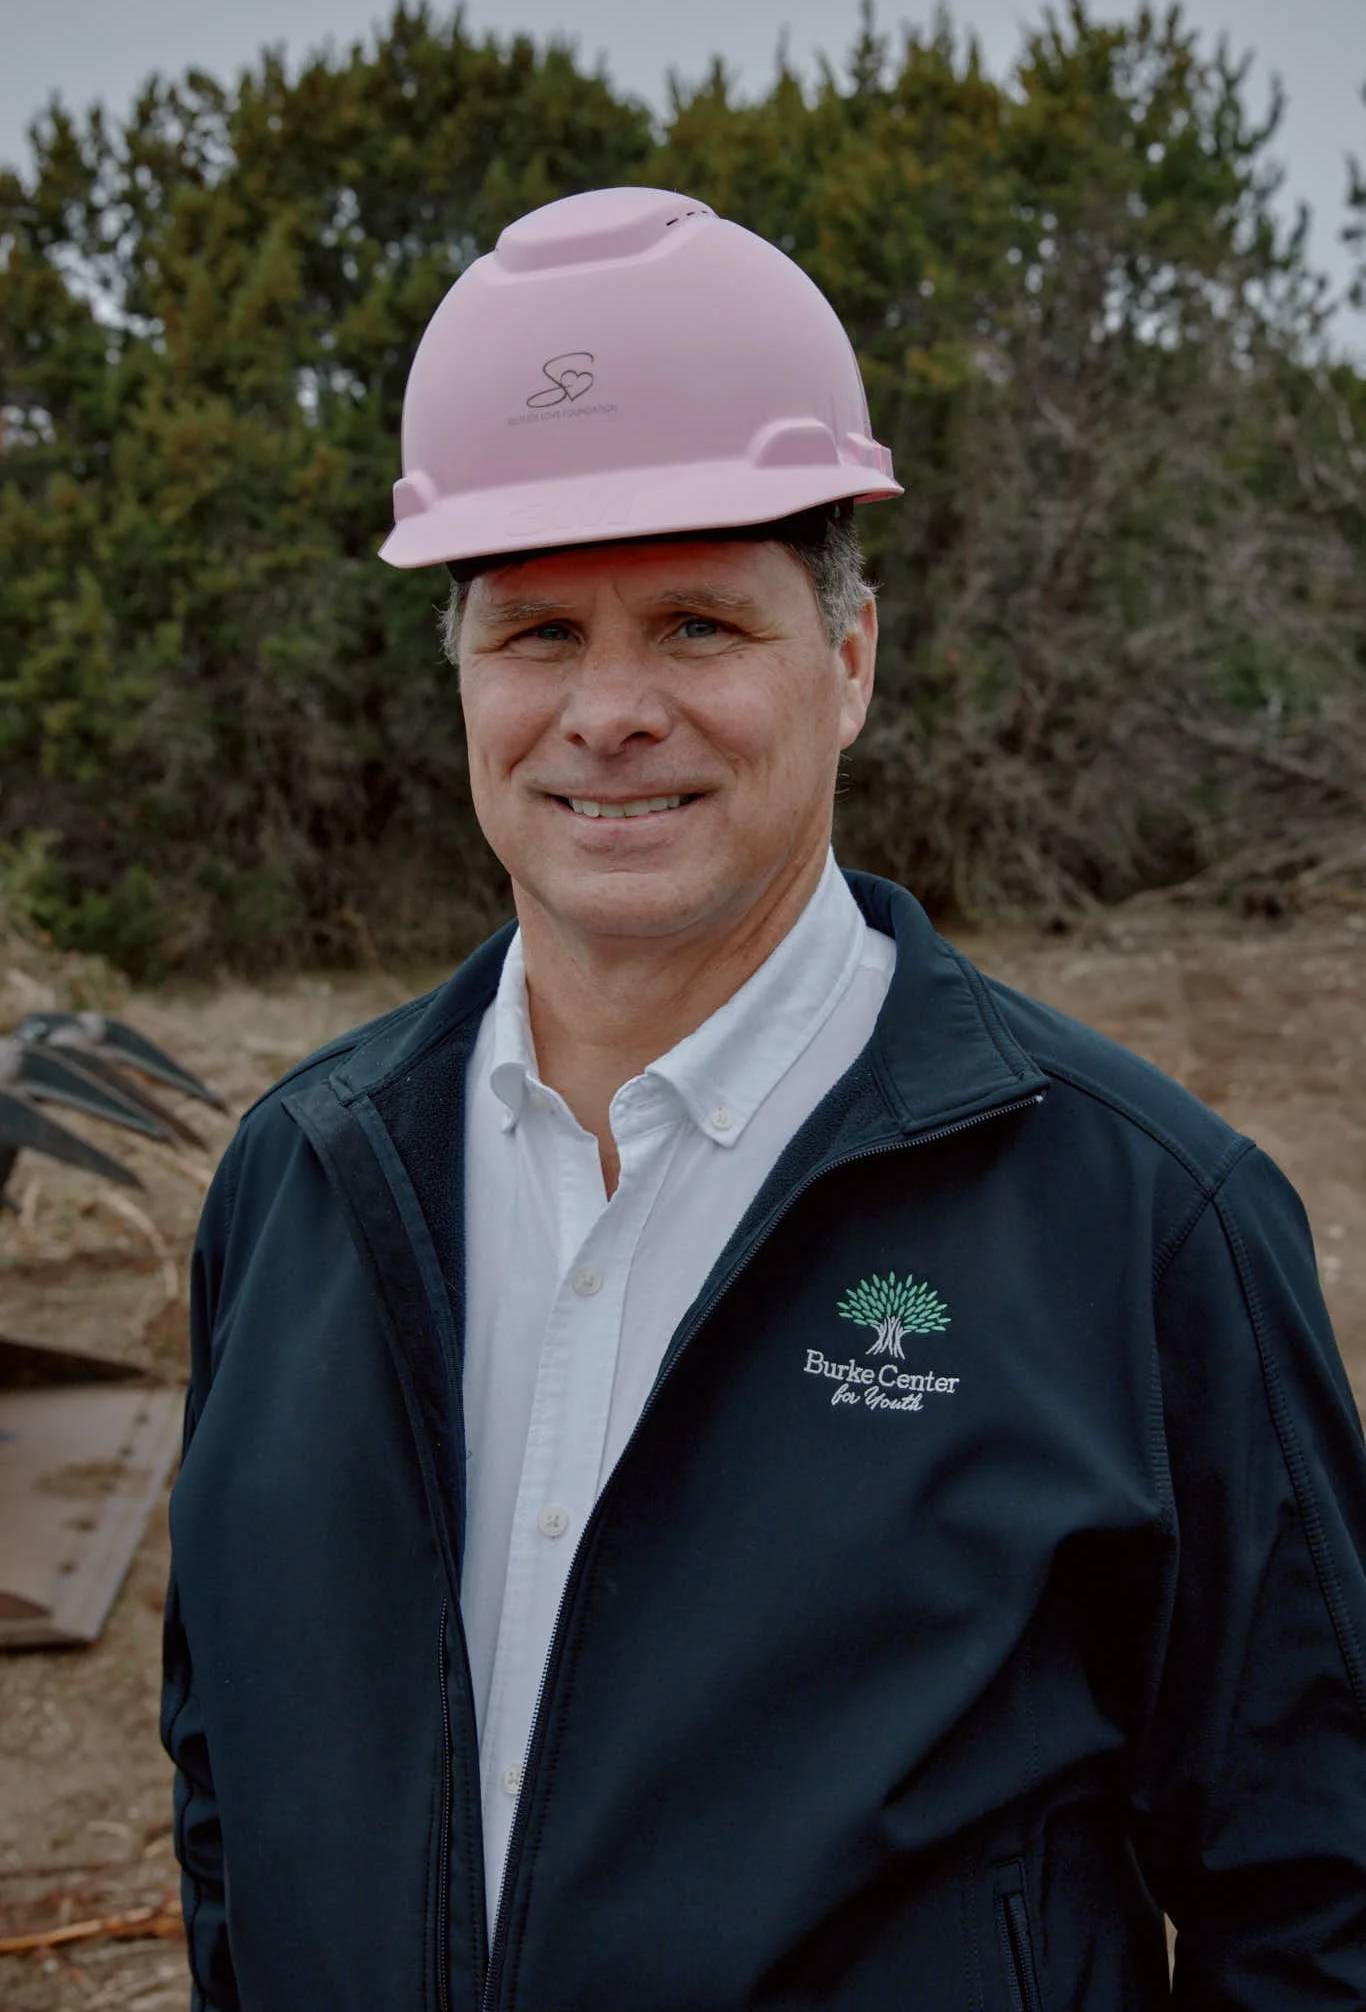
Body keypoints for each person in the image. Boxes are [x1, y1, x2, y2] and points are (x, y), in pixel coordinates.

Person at [162, 187, 1366, 2012]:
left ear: (852, 660)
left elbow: (1318, 1900)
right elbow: (225, 1788)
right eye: (539, 634)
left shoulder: (1136, 1222)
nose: (611, 710)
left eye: (702, 627)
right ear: (464, 679)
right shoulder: (302, 1187)